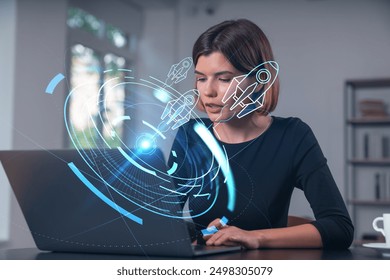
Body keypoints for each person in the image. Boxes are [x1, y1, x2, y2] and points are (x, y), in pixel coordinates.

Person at [167, 19, 353, 250]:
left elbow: (339, 227)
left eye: (224, 79)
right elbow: (162, 223)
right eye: (201, 78)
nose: (208, 91)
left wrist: (256, 237)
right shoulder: (191, 136)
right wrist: (204, 233)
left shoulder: (292, 136)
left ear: (259, 80)